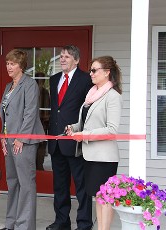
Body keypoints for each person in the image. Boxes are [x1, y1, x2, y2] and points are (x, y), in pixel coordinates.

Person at [66, 55, 123, 230]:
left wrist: (85, 134)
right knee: (99, 197)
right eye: (91, 70)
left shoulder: (112, 96)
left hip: (104, 158)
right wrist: (74, 129)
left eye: (94, 70)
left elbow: (112, 129)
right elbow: (85, 123)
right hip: (89, 155)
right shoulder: (92, 95)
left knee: (105, 199)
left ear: (107, 73)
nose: (90, 73)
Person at [47, 45, 93, 230]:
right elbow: (55, 109)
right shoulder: (54, 79)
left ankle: (84, 223)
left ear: (76, 60)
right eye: (61, 57)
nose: (63, 59)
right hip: (56, 141)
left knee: (82, 185)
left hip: (75, 141)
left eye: (67, 56)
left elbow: (88, 111)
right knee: (60, 185)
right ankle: (61, 221)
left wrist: (81, 132)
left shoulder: (85, 80)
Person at [0, 49, 45, 230]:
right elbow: (5, 115)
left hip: (23, 142)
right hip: (9, 140)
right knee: (12, 182)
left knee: (26, 183)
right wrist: (4, 137)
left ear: (21, 66)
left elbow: (30, 113)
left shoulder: (30, 84)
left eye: (13, 64)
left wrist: (21, 138)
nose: (9, 67)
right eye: (7, 63)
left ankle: (25, 225)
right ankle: (11, 223)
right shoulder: (8, 87)